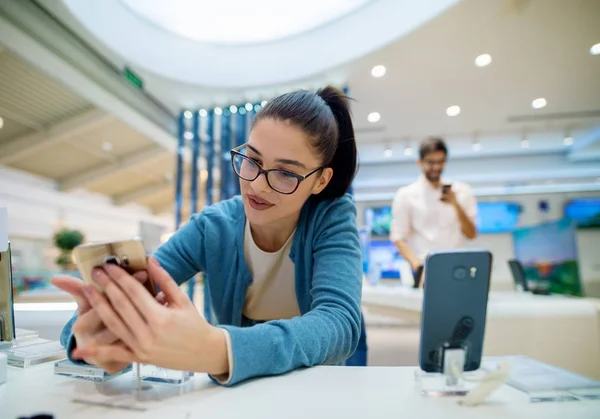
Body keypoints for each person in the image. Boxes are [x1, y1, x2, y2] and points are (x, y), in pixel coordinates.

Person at [52, 86, 365, 386]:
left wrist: (219, 349)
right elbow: (88, 326)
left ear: (321, 180)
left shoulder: (331, 217)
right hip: (240, 396)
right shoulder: (212, 227)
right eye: (252, 160)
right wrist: (97, 340)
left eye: (285, 173)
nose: (257, 185)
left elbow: (339, 322)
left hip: (315, 394)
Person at [390, 137, 477, 288]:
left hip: (459, 268)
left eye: (441, 161)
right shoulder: (405, 195)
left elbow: (471, 234)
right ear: (420, 162)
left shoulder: (462, 191)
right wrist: (418, 267)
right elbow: (398, 238)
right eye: (431, 162)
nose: (436, 167)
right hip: (425, 268)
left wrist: (455, 204)